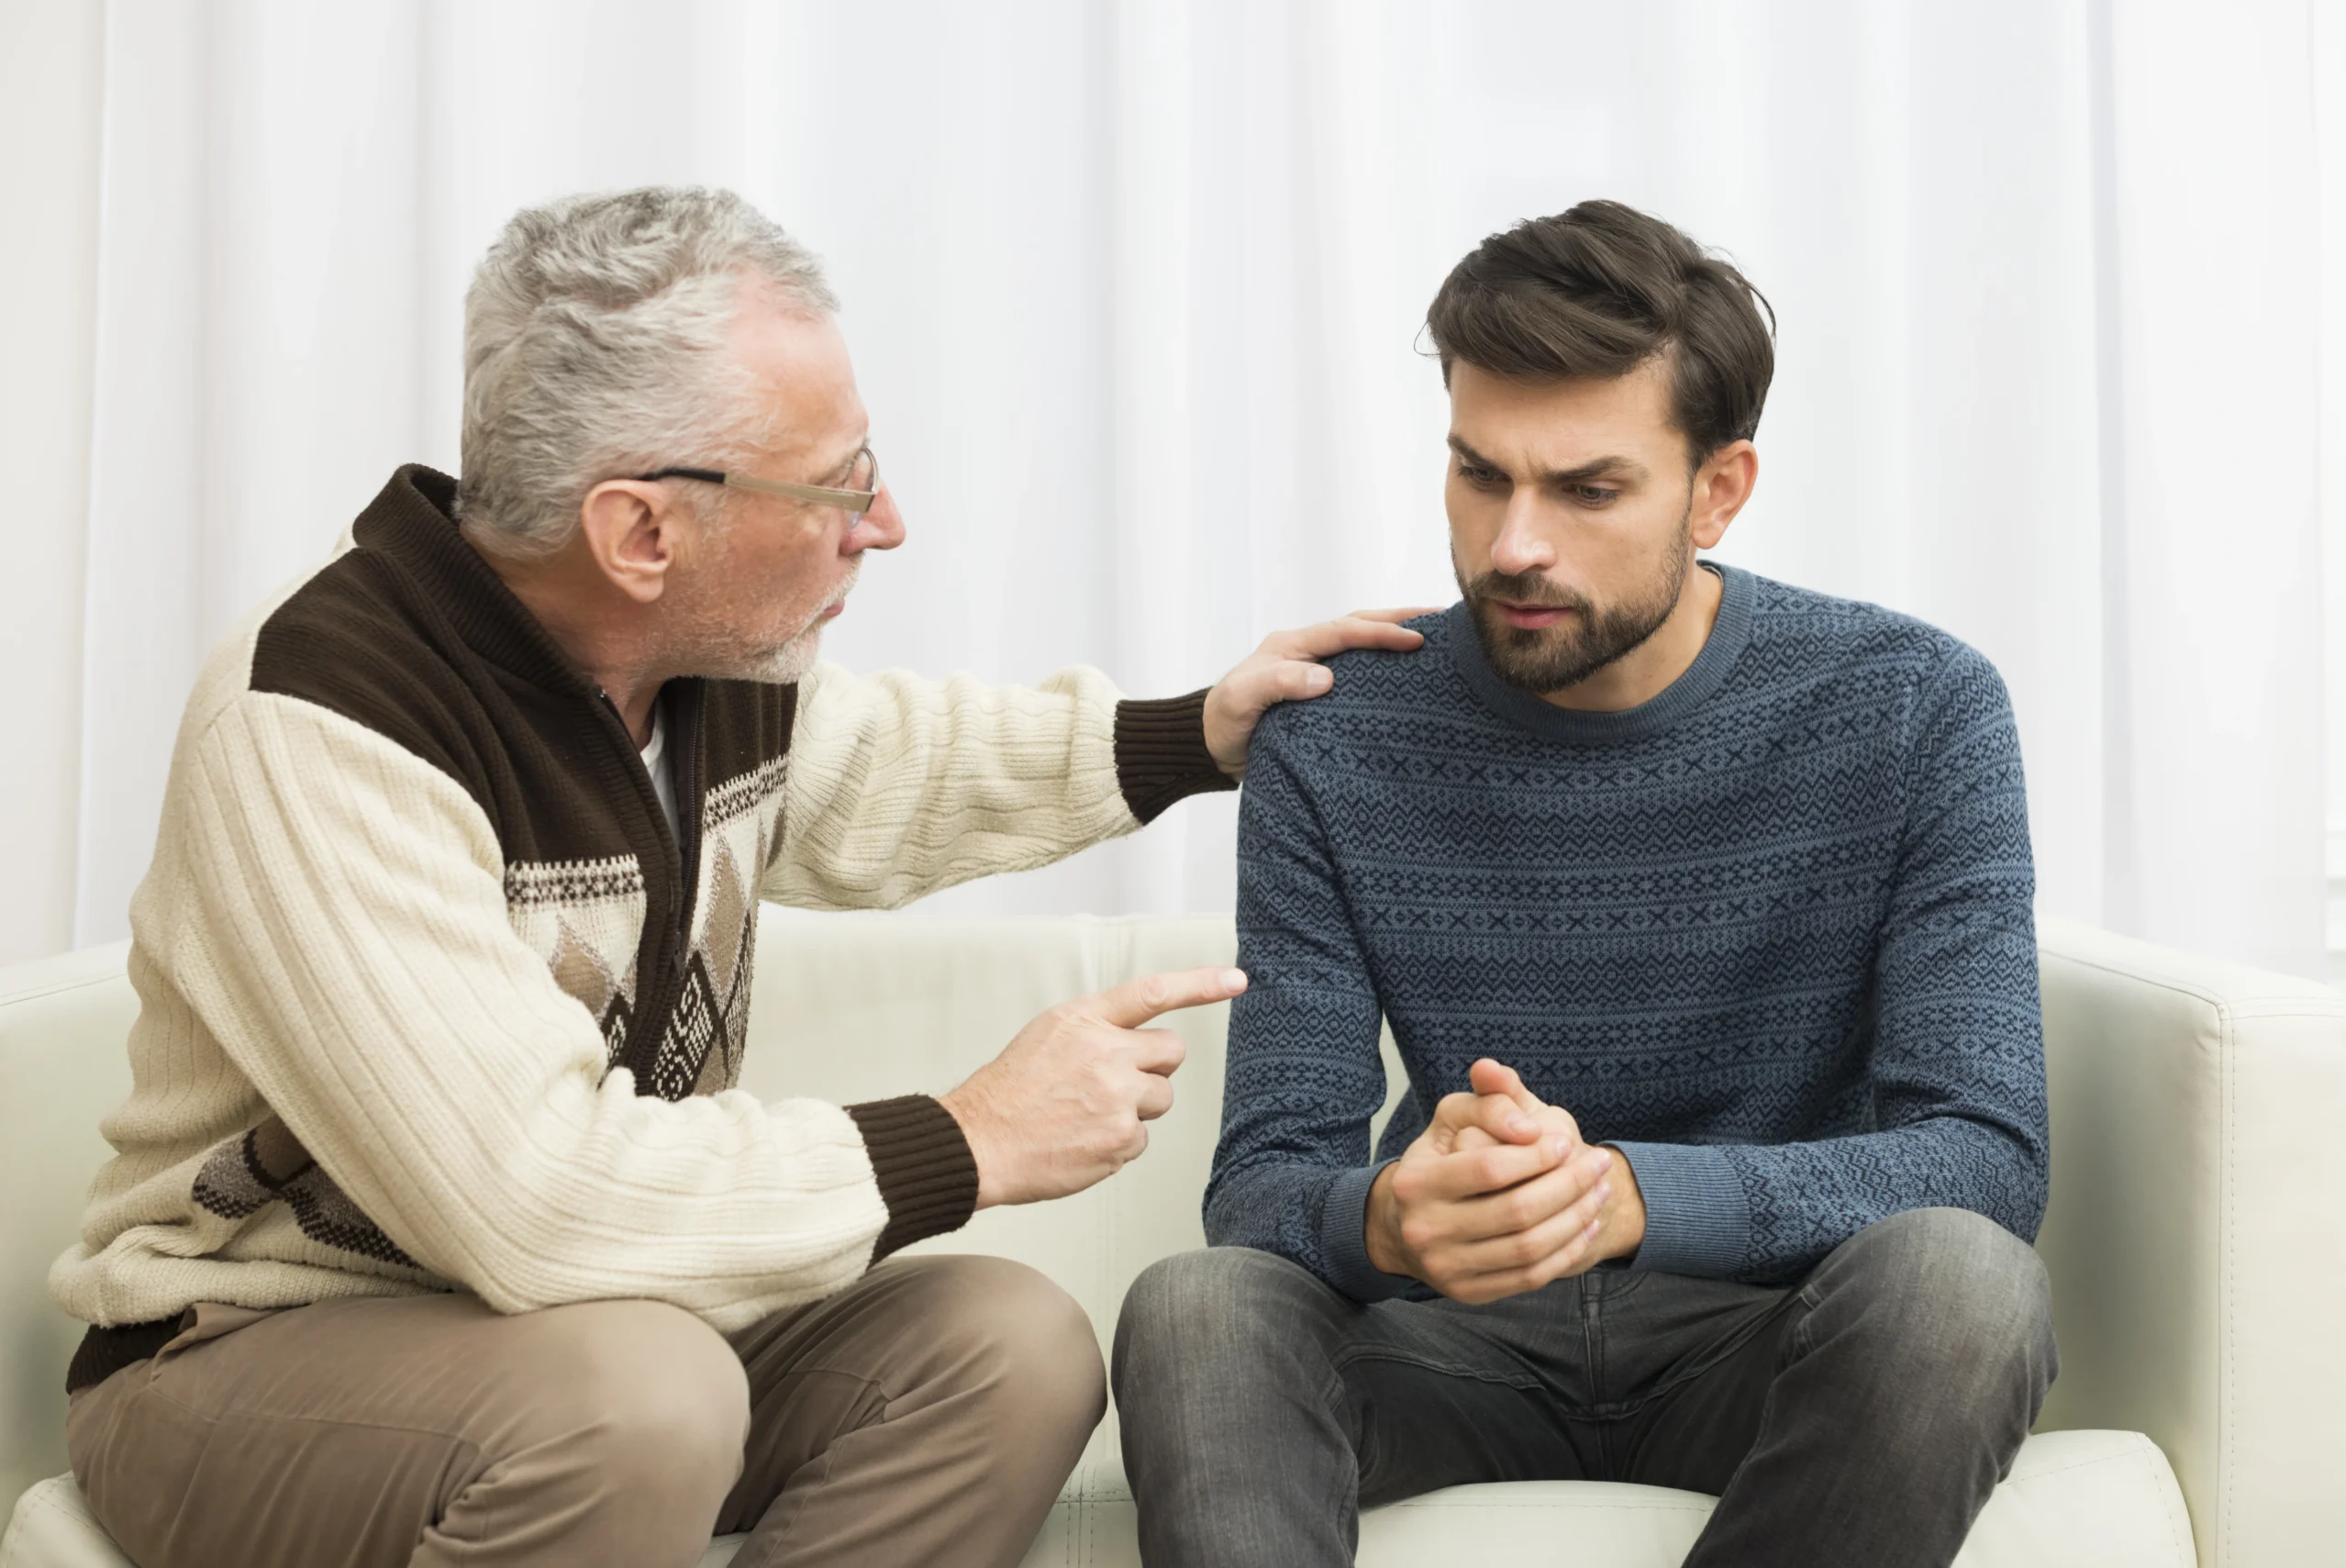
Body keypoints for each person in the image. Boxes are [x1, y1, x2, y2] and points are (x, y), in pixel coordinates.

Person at [50, 185, 1425, 1568]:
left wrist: (1197, 731)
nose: (882, 521)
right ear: (641, 533)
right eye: (837, 482)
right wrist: (968, 1135)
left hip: (592, 1331)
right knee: (646, 1400)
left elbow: (892, 768)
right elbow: (531, 1199)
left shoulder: (694, 664)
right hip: (251, 1356)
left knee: (1009, 1347)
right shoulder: (321, 725)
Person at [1114, 199, 2055, 1568]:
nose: (1512, 546)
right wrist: (1382, 1218)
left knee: (1967, 1285)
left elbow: (1982, 1158)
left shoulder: (1916, 709)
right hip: (1443, 1351)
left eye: (1587, 489)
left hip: (1767, 1341)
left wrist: (1629, 1196)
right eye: (1479, 474)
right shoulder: (1337, 733)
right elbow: (1261, 1187)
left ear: (1719, 488)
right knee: (1198, 1308)